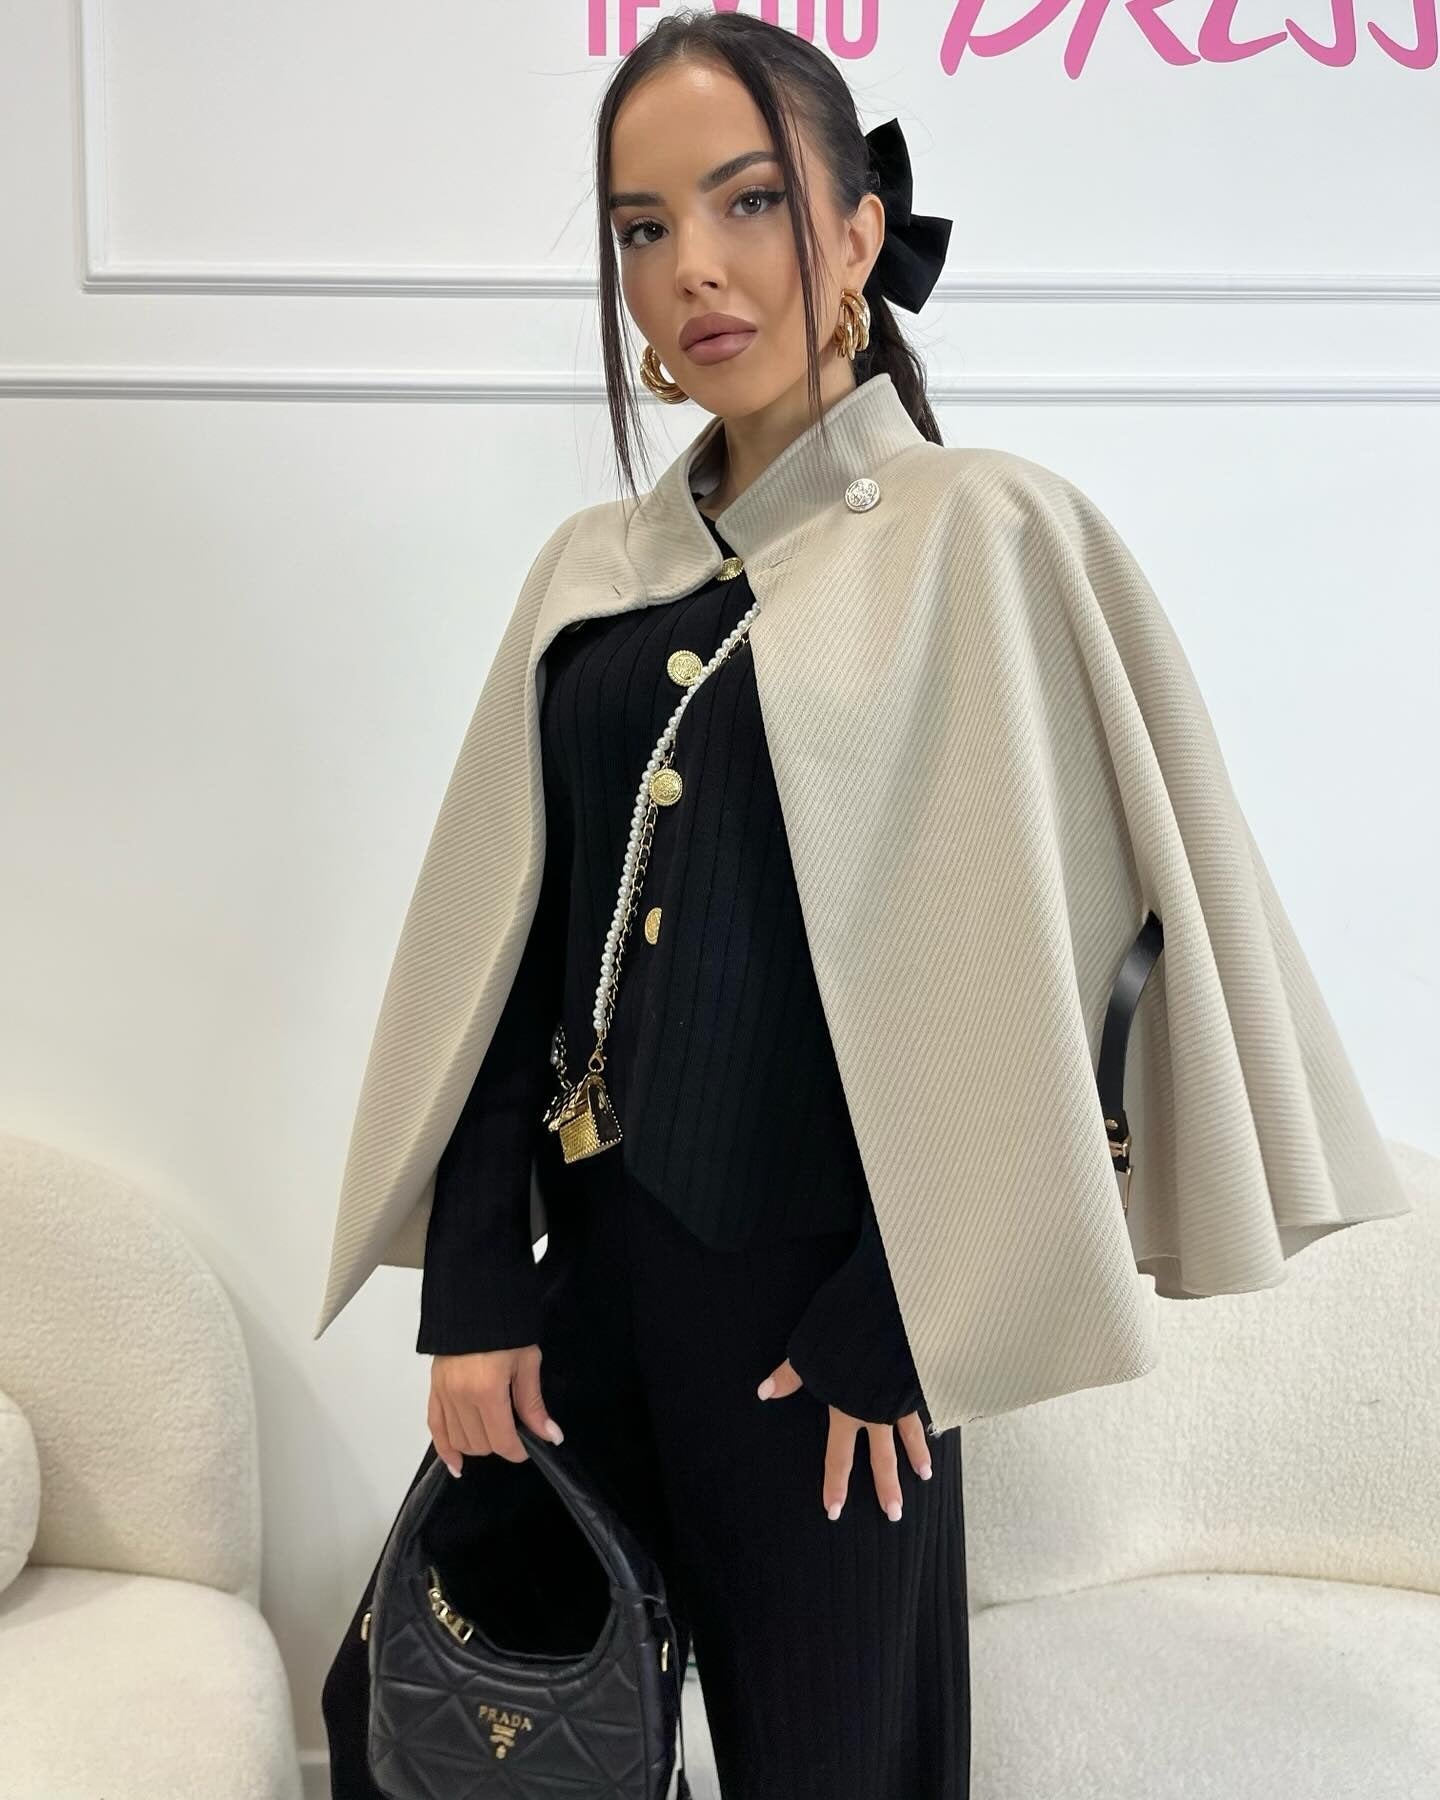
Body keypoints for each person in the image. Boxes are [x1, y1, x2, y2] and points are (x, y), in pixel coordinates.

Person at [320, 10, 1410, 1799]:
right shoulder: (592, 575)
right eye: (645, 226)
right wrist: (472, 1286)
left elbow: (1049, 978)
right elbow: (507, 954)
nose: (695, 266)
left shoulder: (980, 532)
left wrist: (905, 1317)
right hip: (579, 1313)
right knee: (453, 1740)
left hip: (823, 1355)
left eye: (747, 201)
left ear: (854, 231)